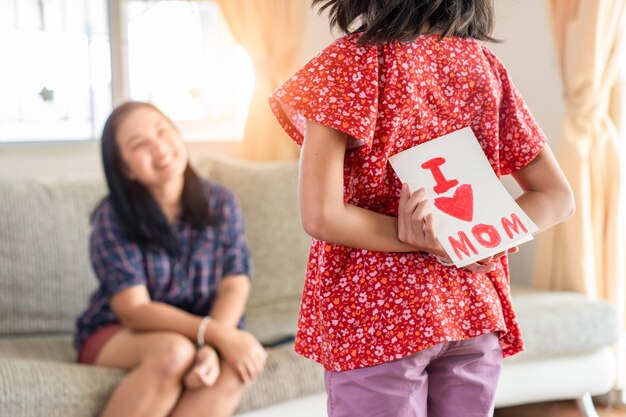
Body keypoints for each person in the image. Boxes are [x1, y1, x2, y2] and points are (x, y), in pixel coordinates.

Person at [269, 1, 575, 416]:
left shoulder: (348, 63)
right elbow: (557, 196)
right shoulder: (483, 64)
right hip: (471, 308)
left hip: (377, 318)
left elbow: (321, 214)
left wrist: (419, 240)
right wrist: (473, 241)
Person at [74, 101, 267, 417]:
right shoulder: (113, 217)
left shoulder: (220, 202)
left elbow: (234, 283)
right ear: (125, 168)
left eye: (162, 131)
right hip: (118, 331)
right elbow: (134, 310)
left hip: (203, 330)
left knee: (240, 363)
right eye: (139, 144)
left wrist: (211, 350)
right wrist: (215, 336)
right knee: (175, 352)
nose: (159, 147)